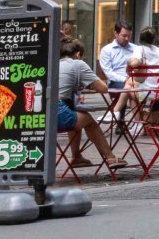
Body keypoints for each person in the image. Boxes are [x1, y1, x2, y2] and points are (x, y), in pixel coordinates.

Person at [56, 42, 129, 172]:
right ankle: (110, 157)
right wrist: (89, 83)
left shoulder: (53, 64)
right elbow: (103, 88)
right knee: (89, 120)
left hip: (40, 113)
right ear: (78, 54)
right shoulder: (78, 64)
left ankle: (76, 157)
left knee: (77, 116)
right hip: (59, 112)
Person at [97, 22, 139, 100]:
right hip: (116, 82)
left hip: (134, 80)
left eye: (129, 36)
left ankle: (133, 107)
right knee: (127, 89)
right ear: (116, 33)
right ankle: (126, 108)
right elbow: (108, 73)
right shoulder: (107, 50)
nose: (127, 39)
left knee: (136, 88)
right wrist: (125, 79)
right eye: (124, 36)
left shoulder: (136, 49)